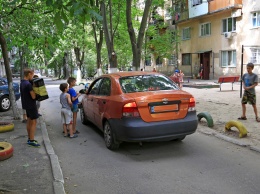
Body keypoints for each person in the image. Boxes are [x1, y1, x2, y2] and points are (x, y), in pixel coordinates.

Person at [20, 69, 40, 147]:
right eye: (32, 74)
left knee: (29, 121)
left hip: (26, 104)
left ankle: (29, 138)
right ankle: (31, 140)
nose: (32, 76)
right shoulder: (28, 84)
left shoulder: (22, 82)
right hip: (31, 105)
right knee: (34, 122)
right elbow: (33, 96)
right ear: (29, 74)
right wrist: (36, 91)